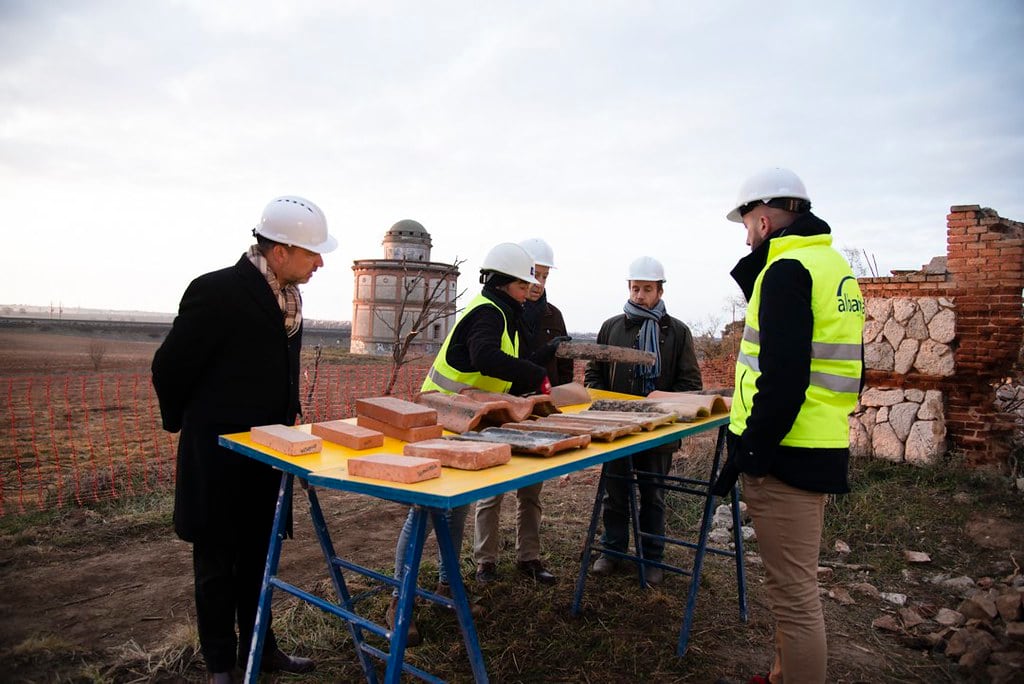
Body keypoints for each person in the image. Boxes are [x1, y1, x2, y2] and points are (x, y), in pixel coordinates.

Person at [152, 196, 336, 682]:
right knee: (216, 564)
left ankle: (263, 649)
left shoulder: (290, 299)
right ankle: (220, 665)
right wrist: (192, 425)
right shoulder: (215, 292)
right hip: (217, 458)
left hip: (268, 456)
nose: (320, 262)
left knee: (260, 557)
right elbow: (169, 368)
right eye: (311, 253)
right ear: (279, 252)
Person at [710, 167, 865, 684]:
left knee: (794, 597)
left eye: (747, 225)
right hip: (815, 443)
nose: (747, 235)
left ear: (762, 217)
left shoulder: (788, 270)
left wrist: (751, 452)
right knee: (790, 586)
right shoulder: (831, 265)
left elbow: (784, 375)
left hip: (786, 454)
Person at [388, 242, 560, 644]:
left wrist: (530, 392)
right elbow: (485, 357)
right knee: (424, 514)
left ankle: (447, 589)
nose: (527, 291)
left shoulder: (502, 313)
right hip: (443, 420)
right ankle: (401, 599)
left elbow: (496, 371)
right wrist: (535, 373)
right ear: (505, 283)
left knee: (458, 508)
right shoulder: (488, 312)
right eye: (522, 285)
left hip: (466, 421)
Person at [583, 256, 702, 585]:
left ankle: (652, 558)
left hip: (658, 430)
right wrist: (605, 405)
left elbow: (691, 384)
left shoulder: (677, 331)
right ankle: (612, 552)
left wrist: (660, 405)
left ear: (660, 291)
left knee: (652, 494)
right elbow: (594, 374)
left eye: (647, 289)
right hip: (617, 429)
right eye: (635, 288)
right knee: (616, 491)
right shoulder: (611, 327)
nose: (639, 295)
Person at [472, 237, 573, 586]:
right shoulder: (501, 311)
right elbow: (498, 359)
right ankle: (485, 561)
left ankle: (528, 556)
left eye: (544, 277)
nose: (538, 285)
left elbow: (564, 367)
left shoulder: (552, 315)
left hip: (536, 411)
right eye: (533, 277)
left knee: (531, 489)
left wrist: (558, 397)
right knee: (491, 487)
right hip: (498, 409)